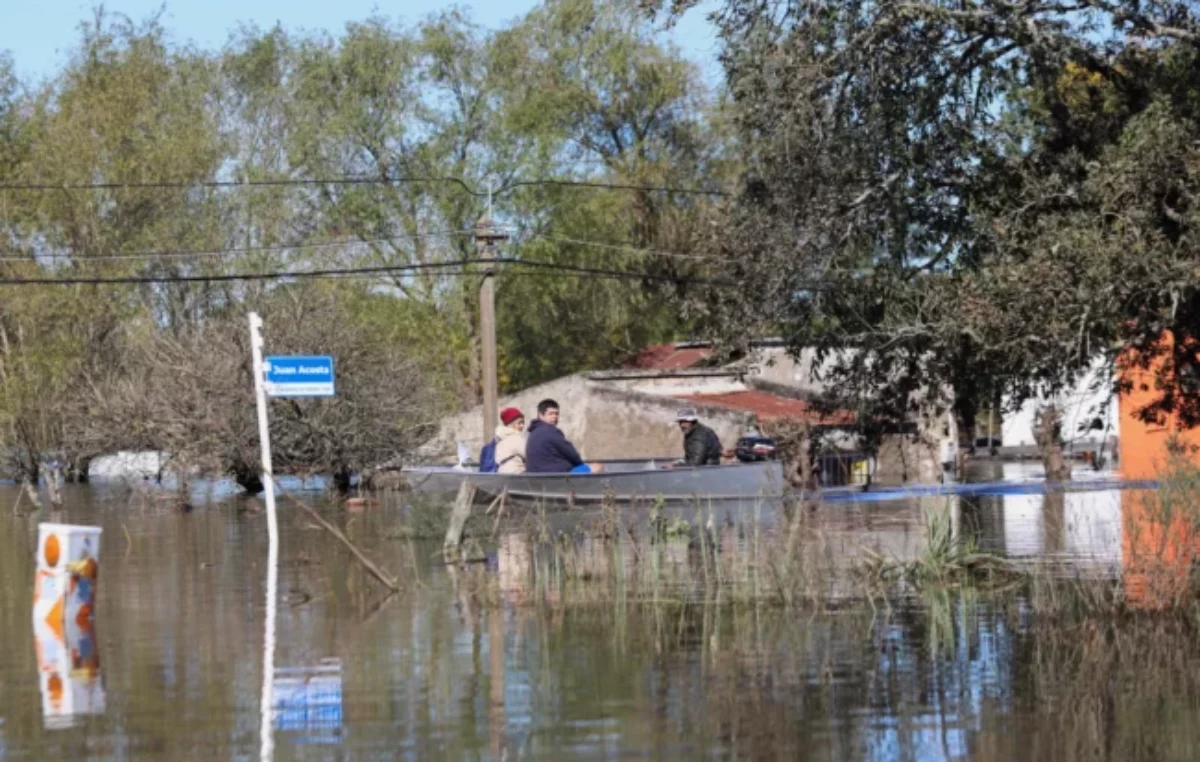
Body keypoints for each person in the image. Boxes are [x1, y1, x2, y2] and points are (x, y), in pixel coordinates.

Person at [525, 398, 604, 474]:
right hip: (557, 475)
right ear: (541, 415)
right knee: (597, 467)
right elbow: (571, 453)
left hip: (536, 475)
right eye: (551, 413)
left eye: (557, 413)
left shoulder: (533, 432)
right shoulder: (551, 431)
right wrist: (580, 464)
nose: (555, 417)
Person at [493, 407, 528, 474]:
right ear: (510, 424)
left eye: (523, 423)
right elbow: (529, 455)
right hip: (516, 475)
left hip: (501, 474)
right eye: (519, 423)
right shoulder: (516, 438)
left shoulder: (500, 439)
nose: (522, 426)